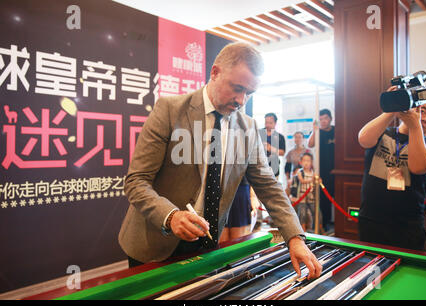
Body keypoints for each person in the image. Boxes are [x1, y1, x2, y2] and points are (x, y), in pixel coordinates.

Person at [119, 42, 322, 279]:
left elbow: (270, 187)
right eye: (237, 88)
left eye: (249, 93)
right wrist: (171, 216)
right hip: (155, 241)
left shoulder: (247, 127)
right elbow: (136, 181)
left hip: (206, 244)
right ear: (214, 73)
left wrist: (294, 237)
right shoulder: (169, 110)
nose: (241, 100)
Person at [357, 91, 426, 251]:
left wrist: (415, 125)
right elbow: (363, 139)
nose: (425, 119)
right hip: (371, 218)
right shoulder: (383, 132)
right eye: (422, 111)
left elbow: (418, 167)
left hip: (408, 224)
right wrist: (393, 107)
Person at [307, 109, 335, 232]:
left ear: (330, 119)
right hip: (322, 170)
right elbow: (310, 144)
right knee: (324, 199)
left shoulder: (336, 130)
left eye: (325, 118)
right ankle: (324, 224)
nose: (323, 121)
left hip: (336, 170)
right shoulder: (318, 132)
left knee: (337, 197)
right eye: (321, 119)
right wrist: (315, 130)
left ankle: (337, 223)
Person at [219, 177, 260, 242]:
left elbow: (254, 171)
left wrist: (253, 196)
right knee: (221, 243)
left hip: (241, 189)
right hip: (217, 189)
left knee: (240, 240)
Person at [289, 153, 322, 233]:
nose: (306, 163)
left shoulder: (313, 173)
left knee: (316, 213)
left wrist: (318, 181)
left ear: (311, 162)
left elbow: (318, 181)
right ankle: (302, 231)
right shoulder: (300, 172)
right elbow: (302, 181)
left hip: (311, 196)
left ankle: (318, 230)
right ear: (301, 162)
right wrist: (312, 180)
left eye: (308, 160)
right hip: (302, 197)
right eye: (304, 160)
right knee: (302, 214)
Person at [259, 113, 286, 177]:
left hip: (273, 168)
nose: (267, 125)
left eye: (270, 123)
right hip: (259, 167)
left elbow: (282, 152)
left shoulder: (280, 137)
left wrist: (270, 148)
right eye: (266, 122)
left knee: (273, 186)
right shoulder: (258, 133)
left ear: (275, 123)